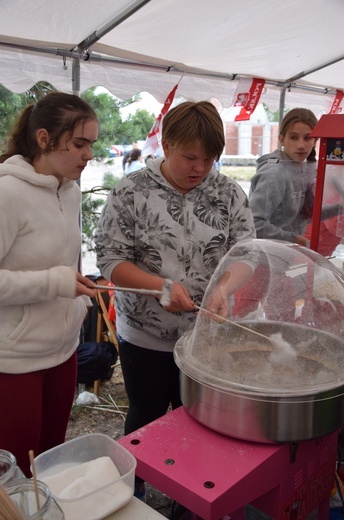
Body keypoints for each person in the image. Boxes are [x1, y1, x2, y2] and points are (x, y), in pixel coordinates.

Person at [94, 100, 255, 500]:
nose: (199, 168)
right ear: (166, 144)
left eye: (209, 159)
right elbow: (110, 258)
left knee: (200, 423)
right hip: (146, 335)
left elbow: (247, 253)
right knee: (146, 417)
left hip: (206, 337)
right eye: (189, 157)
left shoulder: (228, 193)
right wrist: (157, 285)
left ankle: (191, 501)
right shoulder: (131, 191)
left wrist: (223, 288)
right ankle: (132, 497)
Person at [0, 91, 99, 476]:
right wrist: (54, 283)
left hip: (64, 354)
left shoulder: (69, 190)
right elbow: (54, 277)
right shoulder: (8, 194)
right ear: (44, 139)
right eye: (79, 144)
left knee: (48, 466)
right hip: (15, 363)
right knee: (16, 478)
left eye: (91, 144)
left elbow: (64, 262)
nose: (88, 154)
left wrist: (77, 299)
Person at [249, 107, 342, 246]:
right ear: (282, 139)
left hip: (287, 253)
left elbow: (305, 216)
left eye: (307, 138)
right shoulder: (274, 173)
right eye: (294, 137)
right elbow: (254, 223)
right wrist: (293, 238)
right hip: (267, 255)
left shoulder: (300, 168)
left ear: (315, 141)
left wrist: (341, 207)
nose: (301, 145)